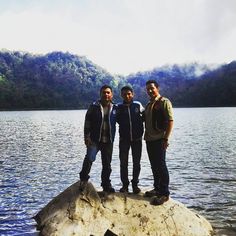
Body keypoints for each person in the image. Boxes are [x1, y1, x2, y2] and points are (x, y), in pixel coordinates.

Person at [79, 85, 117, 193]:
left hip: (108, 140)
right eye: (104, 92)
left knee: (107, 164)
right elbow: (87, 122)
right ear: (100, 94)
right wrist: (86, 136)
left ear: (111, 94)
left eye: (108, 92)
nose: (106, 94)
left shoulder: (115, 108)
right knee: (89, 159)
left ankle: (106, 184)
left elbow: (122, 122)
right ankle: (83, 180)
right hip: (94, 139)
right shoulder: (94, 106)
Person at [144, 80, 174, 205]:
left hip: (160, 139)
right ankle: (157, 188)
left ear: (157, 88)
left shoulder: (164, 102)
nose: (150, 91)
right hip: (149, 139)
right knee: (154, 165)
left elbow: (170, 121)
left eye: (152, 88)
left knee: (161, 165)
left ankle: (164, 193)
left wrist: (166, 138)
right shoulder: (148, 104)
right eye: (148, 89)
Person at [117, 86, 144, 194]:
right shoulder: (119, 107)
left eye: (129, 94)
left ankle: (135, 185)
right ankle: (125, 185)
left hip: (137, 139)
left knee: (136, 163)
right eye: (124, 94)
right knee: (123, 163)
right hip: (124, 139)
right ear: (121, 95)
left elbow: (146, 117)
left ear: (132, 94)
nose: (127, 96)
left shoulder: (138, 105)